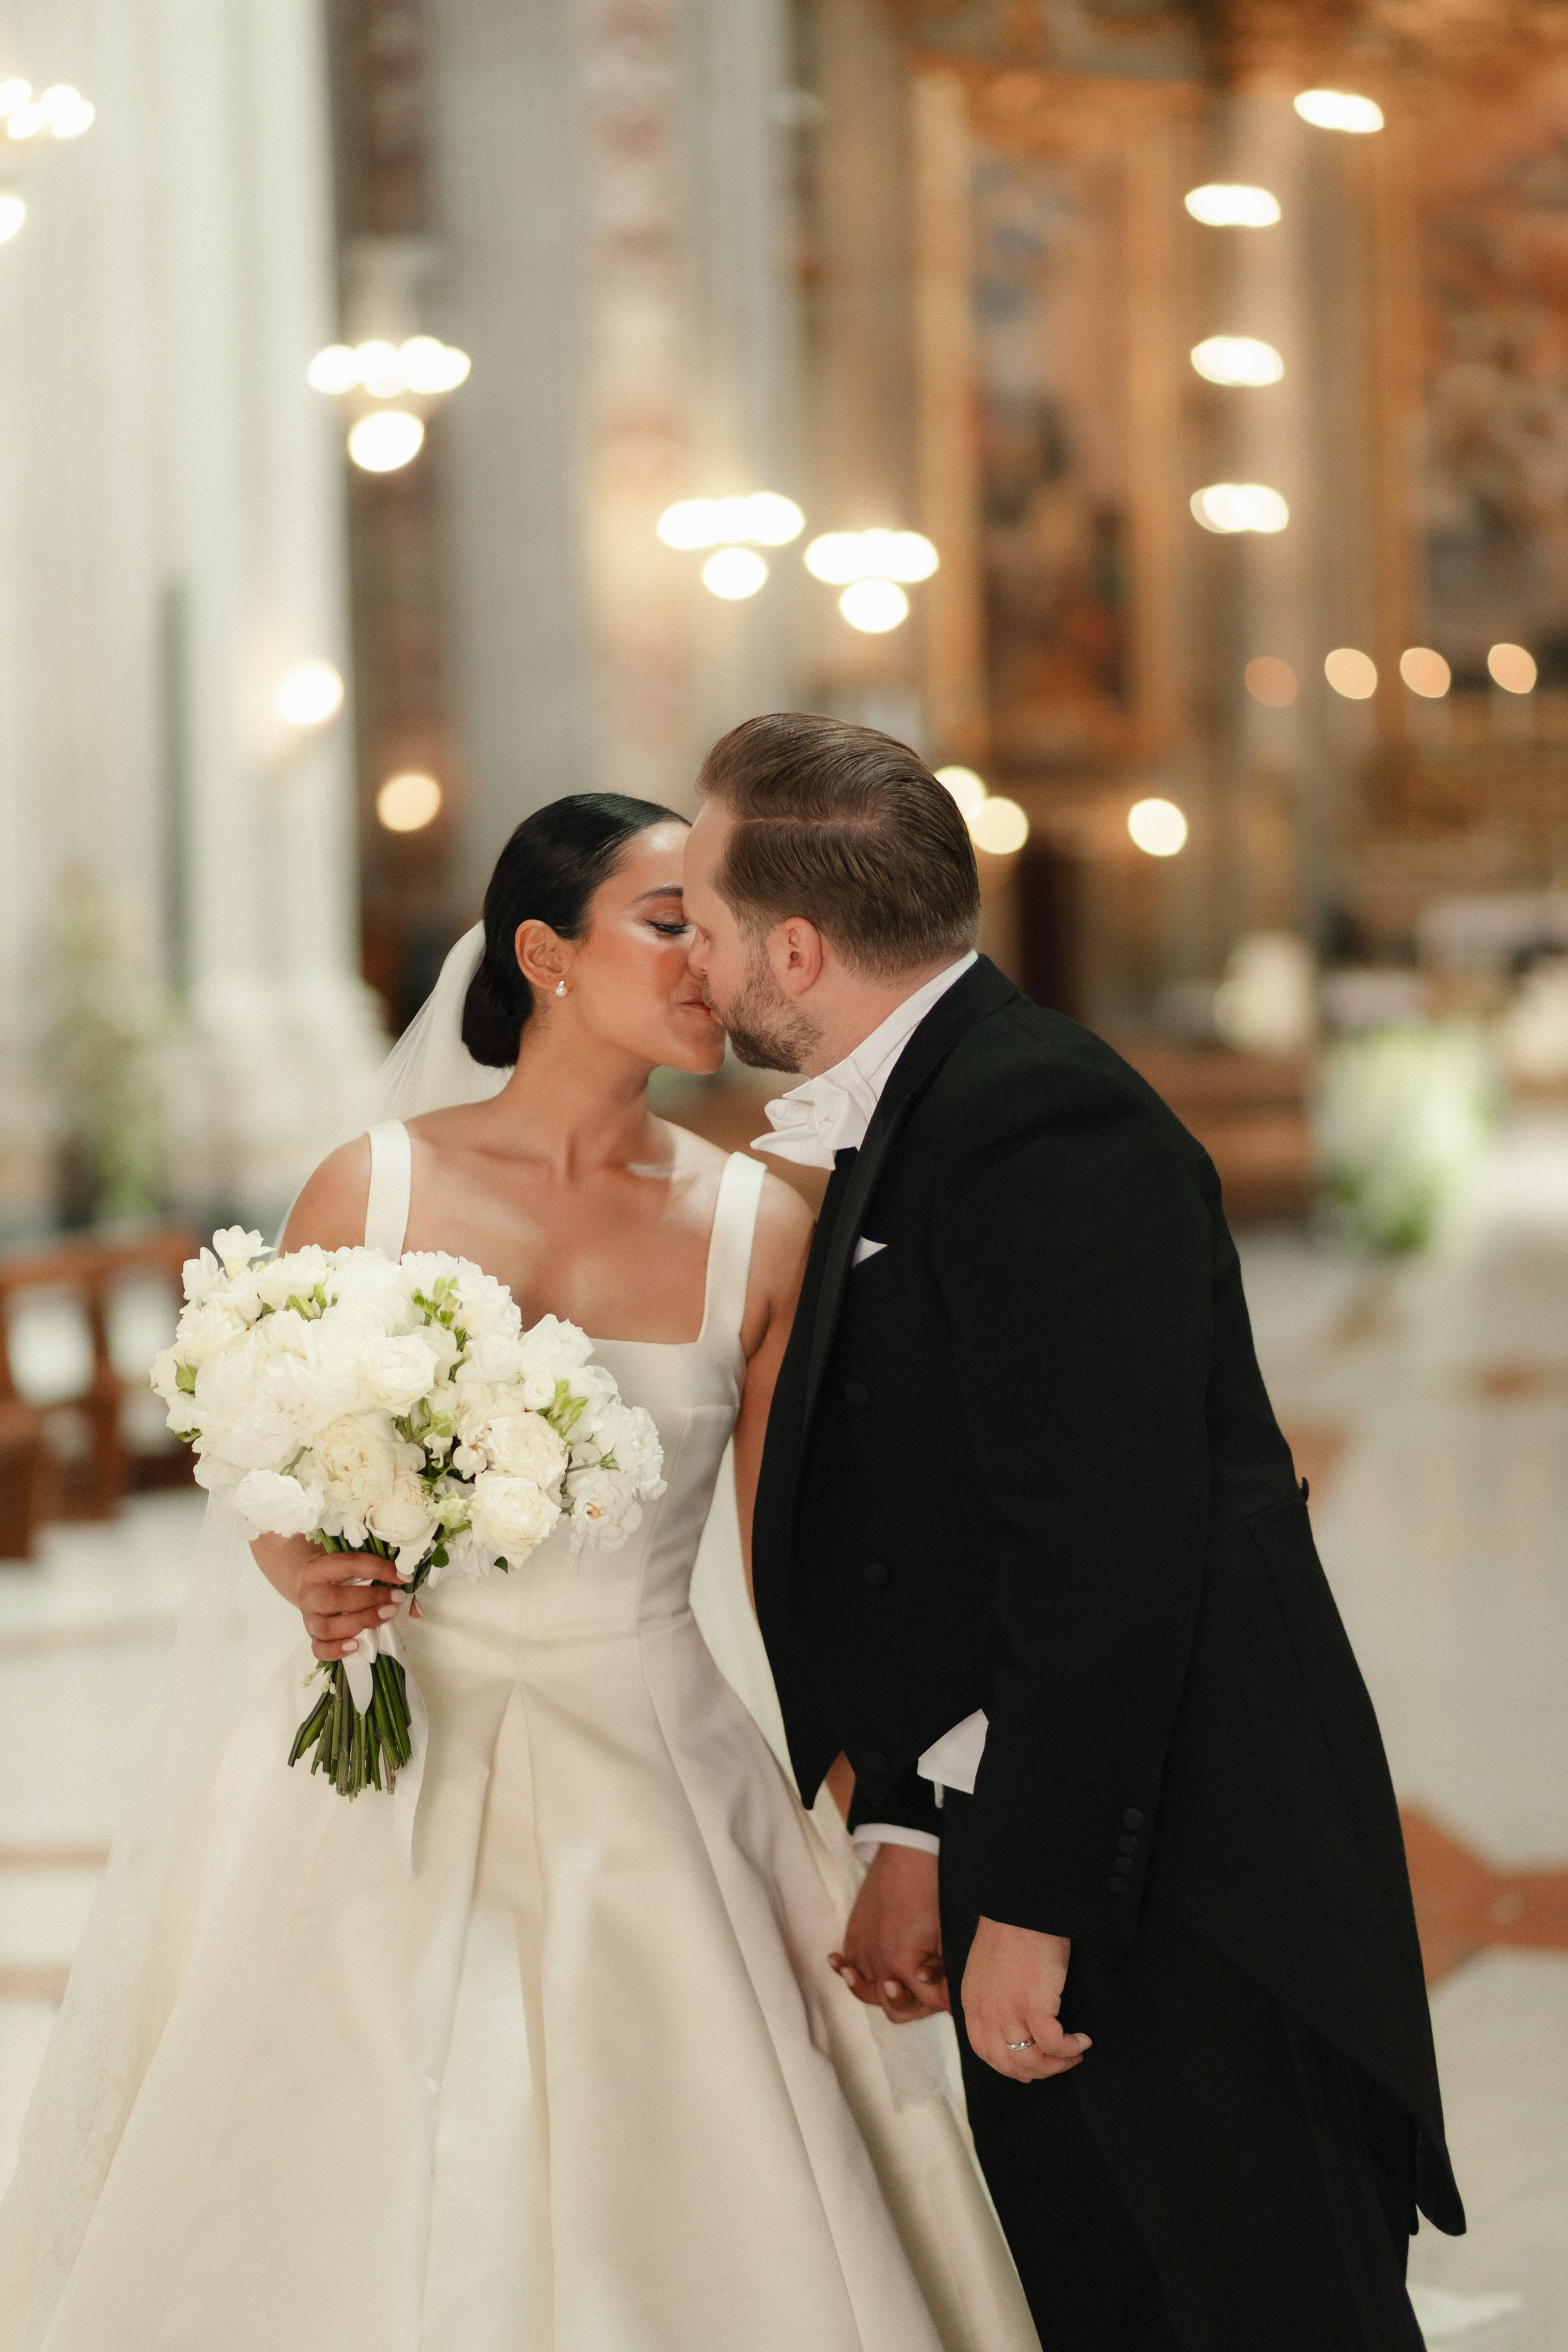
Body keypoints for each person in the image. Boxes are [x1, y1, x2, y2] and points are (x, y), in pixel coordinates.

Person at [0, 794, 1039, 2352]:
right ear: (544, 953)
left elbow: (811, 1569)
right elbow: (268, 1446)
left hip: (655, 1775)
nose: (712, 959)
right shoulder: (373, 1190)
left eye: (723, 921)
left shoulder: (761, 1224)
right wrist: (300, 1559)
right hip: (376, 1768)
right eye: (668, 918)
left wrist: (890, 1818)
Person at [681, 713, 1465, 2352]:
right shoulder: (923, 1107)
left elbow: (1105, 1552)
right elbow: (943, 1523)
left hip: (1177, 1879)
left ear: (800, 946)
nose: (696, 955)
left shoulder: (1039, 1117)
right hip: (1057, 1837)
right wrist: (911, 1829)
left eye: (703, 911)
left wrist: (1030, 1903)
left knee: (1262, 2306)